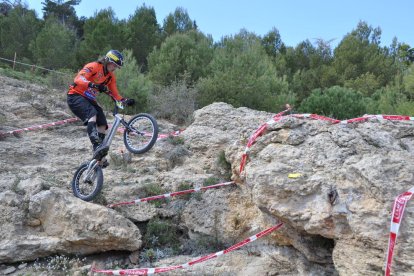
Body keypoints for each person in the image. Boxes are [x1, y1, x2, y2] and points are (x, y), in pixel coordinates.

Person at [67, 49, 135, 163]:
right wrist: (93, 84)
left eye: (117, 67)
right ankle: (96, 144)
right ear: (107, 60)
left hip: (89, 99)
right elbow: (78, 79)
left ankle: (99, 154)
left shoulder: (110, 77)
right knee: (92, 114)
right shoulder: (93, 66)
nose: (114, 68)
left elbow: (115, 94)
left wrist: (125, 101)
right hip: (75, 96)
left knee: (103, 123)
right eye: (114, 65)